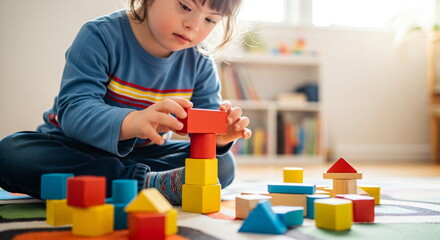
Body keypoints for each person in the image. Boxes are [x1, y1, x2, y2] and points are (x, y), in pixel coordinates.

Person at [0, 0, 251, 205]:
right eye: (185, 6)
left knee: (222, 165)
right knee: (10, 154)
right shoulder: (100, 35)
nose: (192, 25)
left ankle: (138, 181)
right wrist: (132, 121)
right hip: (75, 147)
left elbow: (204, 125)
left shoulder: (200, 61)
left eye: (210, 20)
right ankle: (148, 184)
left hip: (146, 154)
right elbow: (74, 109)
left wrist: (219, 139)